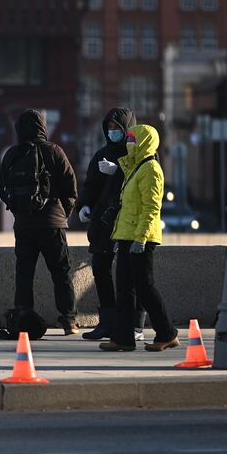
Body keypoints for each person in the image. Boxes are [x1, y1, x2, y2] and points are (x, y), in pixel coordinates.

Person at [0, 109, 79, 336]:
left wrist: (19, 211)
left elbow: (3, 190)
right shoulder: (55, 151)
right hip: (53, 224)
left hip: (24, 225)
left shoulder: (13, 154)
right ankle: (69, 320)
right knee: (61, 273)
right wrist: (62, 214)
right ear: (42, 126)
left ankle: (23, 318)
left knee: (24, 273)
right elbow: (71, 188)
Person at [100, 123, 178, 352]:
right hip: (126, 235)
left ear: (145, 142)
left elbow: (151, 207)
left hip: (140, 238)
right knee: (124, 289)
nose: (129, 142)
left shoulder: (151, 169)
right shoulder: (135, 168)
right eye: (129, 138)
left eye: (134, 138)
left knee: (145, 288)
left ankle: (167, 333)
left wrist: (141, 238)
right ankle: (123, 338)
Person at [76, 107, 137, 340]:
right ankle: (108, 321)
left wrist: (119, 171)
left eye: (117, 129)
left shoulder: (137, 155)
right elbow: (90, 185)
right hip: (103, 222)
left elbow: (143, 183)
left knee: (130, 274)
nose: (112, 132)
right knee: (100, 269)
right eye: (109, 128)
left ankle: (131, 323)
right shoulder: (102, 154)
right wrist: (85, 205)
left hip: (127, 222)